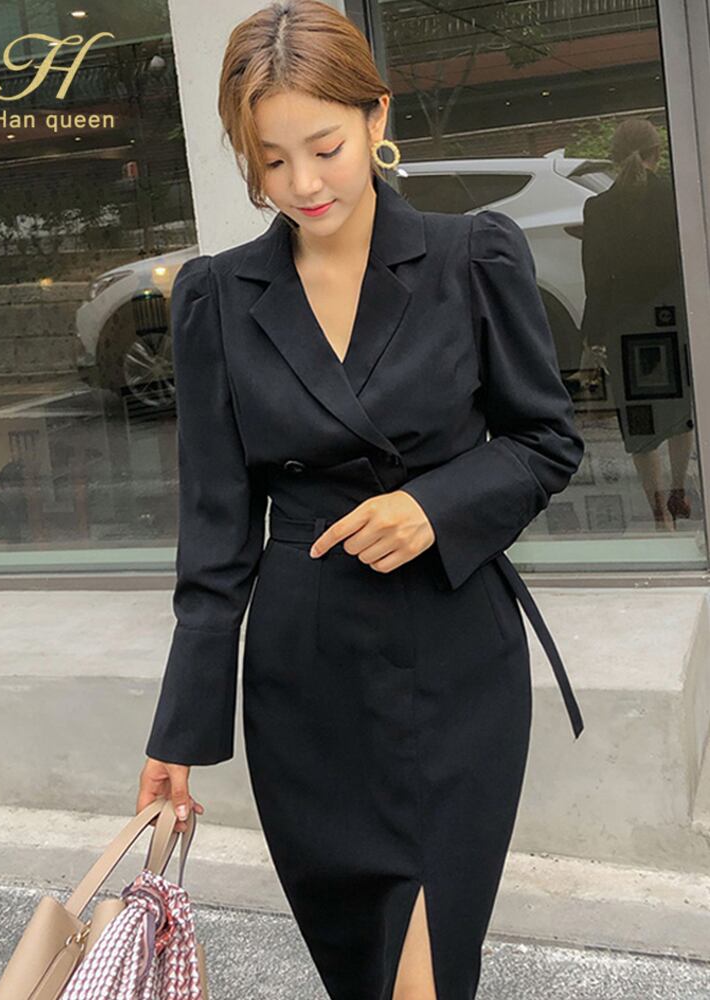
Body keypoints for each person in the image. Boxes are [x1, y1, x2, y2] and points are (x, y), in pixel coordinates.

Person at [137, 2, 585, 997]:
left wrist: (435, 506)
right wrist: (180, 731)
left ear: (377, 117)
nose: (303, 184)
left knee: (427, 970)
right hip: (308, 678)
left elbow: (546, 442)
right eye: (272, 160)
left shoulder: (475, 257)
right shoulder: (216, 300)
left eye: (326, 148)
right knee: (363, 972)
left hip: (455, 655)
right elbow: (215, 533)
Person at [580, 117, 695, 530]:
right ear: (657, 153)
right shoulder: (677, 197)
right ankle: (680, 488)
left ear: (614, 157)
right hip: (675, 317)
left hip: (626, 324)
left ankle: (659, 513)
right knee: (680, 410)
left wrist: (593, 333)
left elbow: (595, 277)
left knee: (641, 418)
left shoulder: (598, 208)